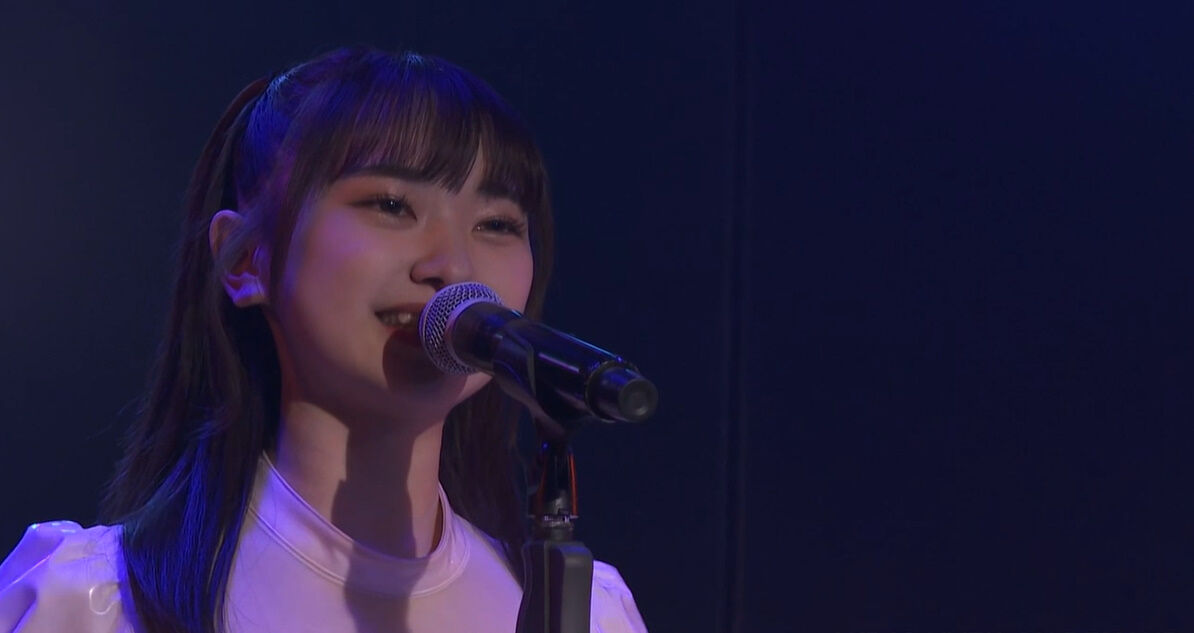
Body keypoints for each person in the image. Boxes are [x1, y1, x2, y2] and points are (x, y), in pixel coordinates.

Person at [0, 46, 647, 633]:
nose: (453, 265)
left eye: (497, 223)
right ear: (245, 259)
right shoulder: (94, 604)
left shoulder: (584, 615)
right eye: (391, 205)